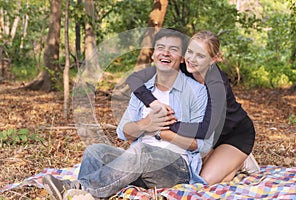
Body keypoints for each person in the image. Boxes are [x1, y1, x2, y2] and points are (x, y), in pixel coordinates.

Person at [42, 28, 210, 200]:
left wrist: (161, 132)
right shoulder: (142, 90)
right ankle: (79, 194)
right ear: (153, 54)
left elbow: (202, 145)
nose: (165, 53)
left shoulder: (196, 91)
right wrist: (145, 125)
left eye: (173, 49)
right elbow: (123, 131)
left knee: (141, 150)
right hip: (137, 163)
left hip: (176, 168)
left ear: (182, 58)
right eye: (160, 47)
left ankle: (80, 189)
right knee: (95, 151)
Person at [126, 30, 259, 186]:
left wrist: (164, 124)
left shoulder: (217, 84)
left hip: (233, 134)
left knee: (203, 181)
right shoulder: (183, 68)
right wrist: (154, 103)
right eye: (190, 52)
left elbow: (204, 129)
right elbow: (133, 79)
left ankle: (240, 162)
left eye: (201, 56)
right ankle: (219, 159)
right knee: (192, 172)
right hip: (205, 138)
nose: (192, 59)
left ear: (212, 60)